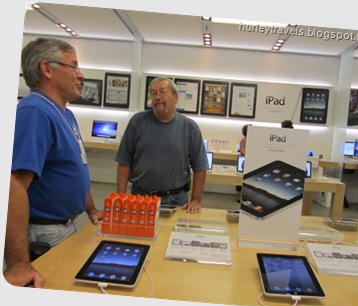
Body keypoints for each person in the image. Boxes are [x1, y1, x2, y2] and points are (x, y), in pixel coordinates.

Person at [4, 38, 103, 288]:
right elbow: (12, 186)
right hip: (43, 233)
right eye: (73, 66)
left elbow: (74, 167)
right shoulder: (35, 112)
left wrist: (91, 209)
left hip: (66, 226)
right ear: (47, 69)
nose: (81, 75)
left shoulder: (64, 113)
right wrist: (17, 265)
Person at [115, 77, 208, 214]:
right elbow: (124, 161)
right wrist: (121, 196)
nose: (157, 97)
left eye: (162, 92)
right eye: (153, 93)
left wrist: (196, 199)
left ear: (175, 97)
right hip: (140, 198)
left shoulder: (190, 127)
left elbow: (200, 167)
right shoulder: (137, 122)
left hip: (176, 201)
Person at [236, 124, 251, 201]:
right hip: (245, 162)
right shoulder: (244, 140)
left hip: (247, 162)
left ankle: (242, 196)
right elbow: (243, 151)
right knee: (242, 180)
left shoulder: (248, 140)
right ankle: (241, 197)